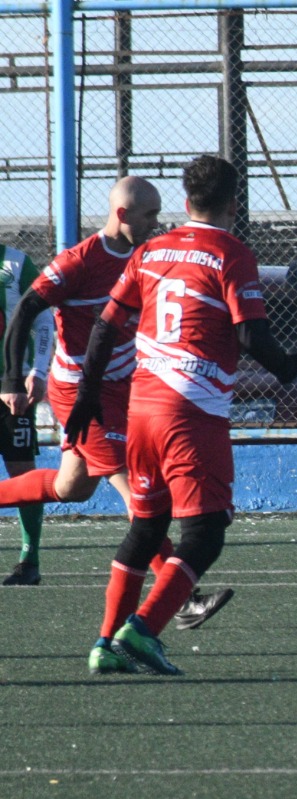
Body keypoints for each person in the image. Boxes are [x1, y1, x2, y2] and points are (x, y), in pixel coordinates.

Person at [67, 155, 297, 675]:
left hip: (142, 408)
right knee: (206, 532)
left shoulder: (151, 249)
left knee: (148, 527)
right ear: (234, 205)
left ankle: (104, 643)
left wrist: (87, 392)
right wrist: (293, 370)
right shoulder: (231, 253)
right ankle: (145, 629)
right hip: (190, 412)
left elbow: (106, 326)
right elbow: (251, 334)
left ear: (184, 202)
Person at [0, 177, 233, 628]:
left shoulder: (151, 254)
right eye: (149, 215)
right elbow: (26, 309)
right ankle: (183, 599)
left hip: (126, 388)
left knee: (73, 487)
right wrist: (14, 377)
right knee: (138, 493)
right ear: (122, 215)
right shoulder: (79, 261)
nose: (157, 223)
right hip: (80, 394)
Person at [0, 239, 45, 584]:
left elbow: (45, 320)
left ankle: (29, 559)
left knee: (22, 473)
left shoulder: (16, 264)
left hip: (11, 390)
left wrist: (38, 370)